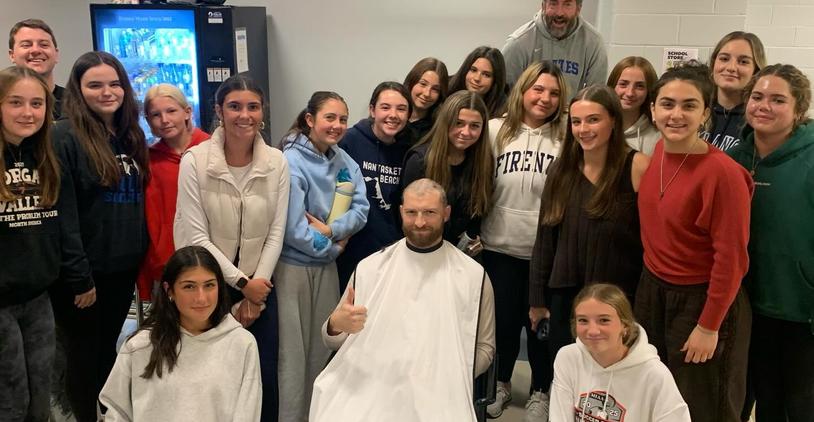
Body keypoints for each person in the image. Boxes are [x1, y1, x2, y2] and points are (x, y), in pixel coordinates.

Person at [309, 178, 495, 422]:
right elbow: (331, 340)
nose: (420, 222)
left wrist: (449, 372)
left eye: (430, 212)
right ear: (401, 212)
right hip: (375, 383)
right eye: (411, 212)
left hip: (440, 389)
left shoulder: (473, 277)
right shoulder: (370, 269)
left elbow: (485, 347)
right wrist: (336, 325)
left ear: (446, 213)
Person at [636, 62, 753, 422]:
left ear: (705, 113)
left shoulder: (724, 174)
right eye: (667, 104)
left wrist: (709, 325)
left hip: (702, 299)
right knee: (657, 395)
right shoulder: (658, 152)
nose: (676, 114)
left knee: (704, 405)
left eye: (689, 105)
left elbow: (731, 259)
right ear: (653, 109)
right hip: (653, 289)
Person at [527, 84, 651, 420]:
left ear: (614, 120)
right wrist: (538, 300)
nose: (584, 130)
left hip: (617, 298)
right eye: (577, 122)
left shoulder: (638, 167)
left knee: (612, 389)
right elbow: (545, 237)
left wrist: (640, 304)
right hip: (566, 296)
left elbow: (651, 243)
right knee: (568, 383)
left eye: (593, 120)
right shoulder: (561, 170)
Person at [174, 73, 289, 422]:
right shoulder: (194, 161)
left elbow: (276, 231)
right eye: (235, 106)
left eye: (253, 107)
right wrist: (242, 285)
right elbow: (197, 237)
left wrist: (257, 291)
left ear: (262, 112)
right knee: (208, 379)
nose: (245, 115)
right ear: (219, 111)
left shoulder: (276, 162)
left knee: (262, 376)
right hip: (208, 285)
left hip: (261, 285)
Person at [50, 51, 149, 422]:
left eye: (114, 83)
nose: (107, 92)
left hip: (121, 269)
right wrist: (79, 277)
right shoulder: (64, 136)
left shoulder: (127, 135)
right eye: (95, 85)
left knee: (108, 350)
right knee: (82, 358)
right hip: (85, 276)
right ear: (78, 89)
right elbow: (64, 213)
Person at [0, 65, 93, 422]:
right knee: (10, 398)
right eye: (16, 103)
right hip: (2, 301)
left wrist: (76, 274)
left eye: (37, 103)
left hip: (39, 296)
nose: (28, 112)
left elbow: (61, 222)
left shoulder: (46, 158)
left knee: (43, 391)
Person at [479, 61, 566, 420]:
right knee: (502, 322)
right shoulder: (494, 130)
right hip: (499, 246)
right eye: (538, 90)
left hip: (544, 252)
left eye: (554, 93)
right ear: (523, 91)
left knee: (542, 328)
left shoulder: (565, 136)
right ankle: (499, 383)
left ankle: (541, 389)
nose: (545, 98)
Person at [727, 64, 814, 422]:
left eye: (778, 99)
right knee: (750, 400)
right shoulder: (734, 160)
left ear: (799, 109)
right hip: (746, 309)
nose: (764, 106)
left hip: (801, 313)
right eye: (758, 97)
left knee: (796, 407)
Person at [277, 91, 369, 422]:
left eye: (343, 119)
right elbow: (292, 227)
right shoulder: (290, 161)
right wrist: (334, 247)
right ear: (309, 119)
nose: (337, 125)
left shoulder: (343, 161)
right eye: (329, 117)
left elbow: (362, 210)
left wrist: (331, 231)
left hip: (326, 269)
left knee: (324, 351)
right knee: (293, 357)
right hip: (292, 270)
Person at [99, 246, 262, 422]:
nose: (201, 298)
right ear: (169, 290)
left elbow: (247, 413)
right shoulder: (139, 346)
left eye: (209, 285)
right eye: (189, 286)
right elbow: (116, 412)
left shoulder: (242, 344)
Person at [549, 284, 691, 422]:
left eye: (604, 320)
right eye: (583, 320)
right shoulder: (568, 357)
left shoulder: (654, 375)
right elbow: (559, 416)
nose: (592, 331)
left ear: (625, 326)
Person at [336, 82, 412, 289]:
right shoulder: (348, 141)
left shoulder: (408, 151)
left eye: (401, 109)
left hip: (391, 252)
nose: (393, 115)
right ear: (372, 110)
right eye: (385, 107)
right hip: (350, 250)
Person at [137, 83, 209, 302]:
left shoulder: (212, 149)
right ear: (148, 121)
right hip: (166, 263)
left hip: (210, 259)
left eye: (171, 111)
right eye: (155, 115)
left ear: (187, 112)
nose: (165, 120)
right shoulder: (148, 160)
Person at [401, 90, 494, 247]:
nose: (466, 132)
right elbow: (407, 216)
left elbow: (478, 214)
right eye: (458, 123)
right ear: (445, 122)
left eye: (474, 126)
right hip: (422, 248)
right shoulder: (420, 161)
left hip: (461, 255)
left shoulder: (484, 163)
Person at [502, 0, 608, 101]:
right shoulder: (518, 43)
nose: (559, 13)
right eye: (553, 3)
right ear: (543, 6)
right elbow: (506, 97)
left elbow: (595, 98)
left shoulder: (594, 44)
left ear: (578, 9)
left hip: (571, 118)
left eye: (567, 4)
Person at [702, 31, 767, 152]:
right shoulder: (697, 110)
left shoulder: (759, 119)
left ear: (756, 70)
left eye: (743, 62)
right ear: (713, 64)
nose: (731, 67)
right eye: (724, 58)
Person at [8, 19, 64, 119]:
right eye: (26, 45)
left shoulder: (78, 103)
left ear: (56, 54)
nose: (36, 50)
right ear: (12, 55)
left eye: (44, 45)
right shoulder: (2, 101)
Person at [606, 56, 660, 155]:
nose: (630, 93)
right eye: (623, 84)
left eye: (639, 86)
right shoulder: (600, 129)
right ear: (612, 86)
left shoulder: (658, 137)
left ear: (649, 91)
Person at [448, 46, 507, 118]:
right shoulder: (445, 92)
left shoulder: (503, 112)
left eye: (486, 75)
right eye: (473, 70)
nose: (477, 78)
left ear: (495, 81)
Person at [403, 57, 449, 142]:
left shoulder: (439, 128)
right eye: (423, 84)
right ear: (411, 82)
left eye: (435, 89)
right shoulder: (393, 116)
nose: (427, 94)